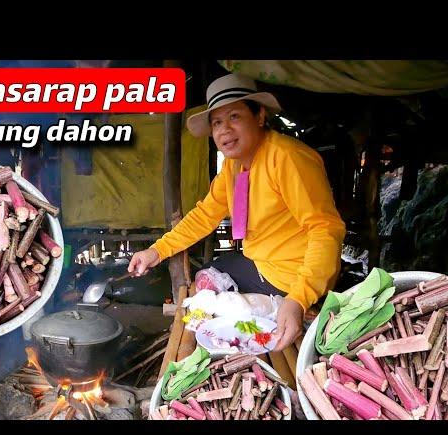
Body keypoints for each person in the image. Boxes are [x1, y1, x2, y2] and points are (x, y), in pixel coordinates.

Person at [128, 73, 346, 352]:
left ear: (259, 116)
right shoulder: (234, 167)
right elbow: (204, 215)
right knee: (207, 278)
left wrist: (298, 299)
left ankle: (265, 321)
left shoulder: (288, 158)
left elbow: (325, 230)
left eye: (234, 117)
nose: (224, 130)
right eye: (217, 122)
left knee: (212, 303)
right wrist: (156, 252)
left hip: (295, 276)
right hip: (262, 263)